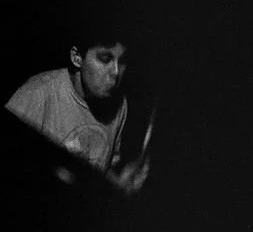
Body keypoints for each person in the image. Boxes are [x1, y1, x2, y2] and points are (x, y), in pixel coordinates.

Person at [5, 25, 149, 194]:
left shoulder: (120, 104)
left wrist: (119, 183)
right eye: (105, 59)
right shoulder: (36, 94)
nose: (116, 72)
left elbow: (98, 171)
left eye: (122, 61)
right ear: (77, 57)